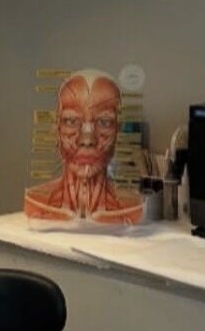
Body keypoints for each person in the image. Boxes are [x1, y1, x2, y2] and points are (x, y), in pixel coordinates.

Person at [24, 70, 142, 224]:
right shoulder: (37, 201)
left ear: (118, 131)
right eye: (71, 121)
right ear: (56, 128)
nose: (87, 140)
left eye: (104, 122)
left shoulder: (130, 208)